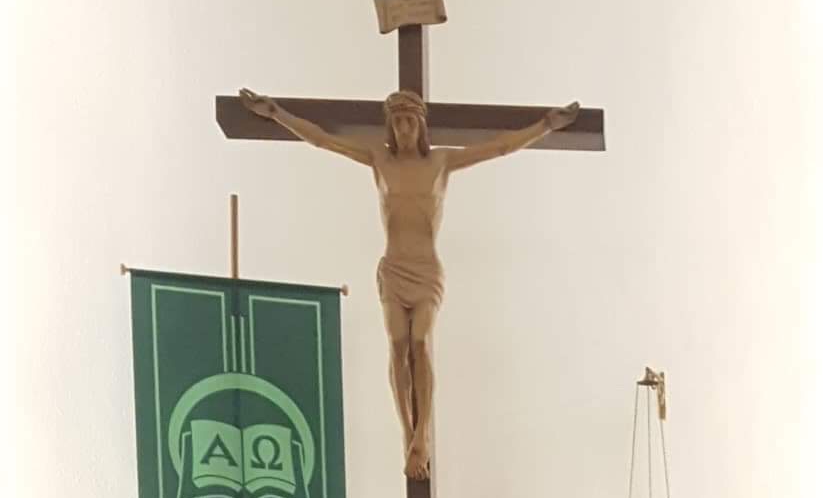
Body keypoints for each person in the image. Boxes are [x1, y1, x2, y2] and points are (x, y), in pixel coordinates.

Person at [238, 88, 579, 476]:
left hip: (426, 269)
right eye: (397, 122)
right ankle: (409, 435)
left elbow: (499, 147)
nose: (402, 129)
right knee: (398, 344)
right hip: (394, 268)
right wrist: (276, 113)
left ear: (420, 126)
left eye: (409, 121)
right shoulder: (378, 159)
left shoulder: (441, 162)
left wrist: (546, 125)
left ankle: (423, 434)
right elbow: (322, 140)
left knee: (420, 342)